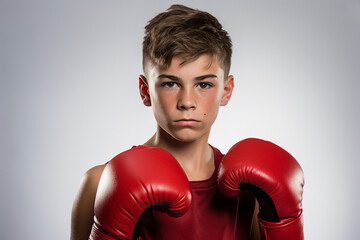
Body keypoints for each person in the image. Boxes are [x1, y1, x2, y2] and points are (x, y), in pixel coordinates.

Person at [71, 4, 304, 240]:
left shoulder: (252, 190)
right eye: (170, 83)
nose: (187, 102)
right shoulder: (100, 182)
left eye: (204, 84)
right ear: (145, 91)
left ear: (226, 90)